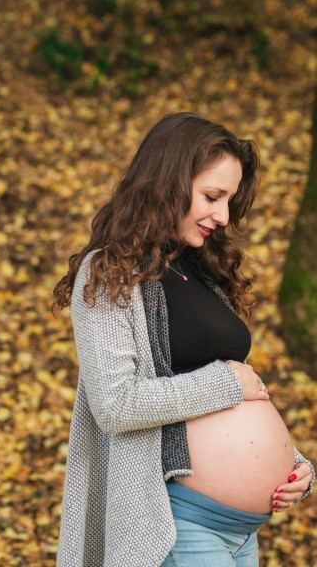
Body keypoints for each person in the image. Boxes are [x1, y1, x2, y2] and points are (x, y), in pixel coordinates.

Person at [53, 112, 315, 567]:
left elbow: (225, 389)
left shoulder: (199, 268)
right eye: (212, 196)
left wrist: (292, 464)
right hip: (177, 522)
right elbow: (115, 405)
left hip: (239, 531)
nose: (223, 215)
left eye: (229, 200)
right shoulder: (110, 273)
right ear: (168, 182)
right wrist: (229, 385)